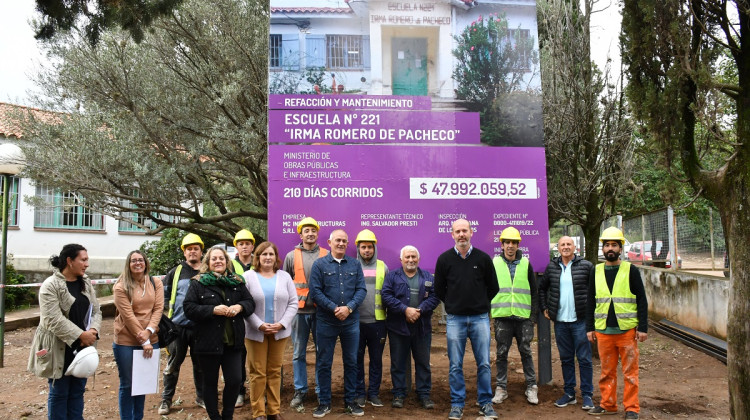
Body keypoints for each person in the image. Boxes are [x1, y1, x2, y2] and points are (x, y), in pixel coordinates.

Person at [28, 244, 102, 420]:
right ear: (69, 261)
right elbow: (52, 319)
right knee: (59, 394)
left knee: (77, 392)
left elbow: (97, 311)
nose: (87, 264)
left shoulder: (85, 282)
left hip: (82, 349)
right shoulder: (50, 286)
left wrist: (93, 330)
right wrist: (80, 335)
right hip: (58, 348)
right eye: (83, 260)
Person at [434, 219, 499, 420]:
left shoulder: (483, 258)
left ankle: (486, 403)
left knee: (484, 364)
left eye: (465, 231)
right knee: (455, 365)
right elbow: (439, 289)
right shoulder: (444, 260)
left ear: (471, 232)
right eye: (458, 231)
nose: (461, 234)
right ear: (452, 234)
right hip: (455, 320)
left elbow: (493, 287)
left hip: (480, 318)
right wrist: (455, 304)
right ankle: (457, 404)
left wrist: (479, 303)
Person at [183, 246, 255, 420]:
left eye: (221, 258)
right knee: (210, 383)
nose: (218, 261)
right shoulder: (198, 283)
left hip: (233, 342)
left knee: (235, 380)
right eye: (214, 259)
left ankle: (227, 416)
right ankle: (214, 416)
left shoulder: (237, 282)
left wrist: (240, 306)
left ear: (226, 261)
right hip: (208, 342)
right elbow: (189, 308)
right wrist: (213, 310)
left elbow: (250, 302)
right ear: (208, 262)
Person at [586, 227, 648, 420]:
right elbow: (590, 301)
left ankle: (631, 409)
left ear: (620, 248)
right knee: (606, 372)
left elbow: (641, 300)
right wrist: (590, 328)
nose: (610, 248)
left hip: (626, 331)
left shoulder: (631, 270)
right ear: (602, 248)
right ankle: (608, 404)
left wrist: (643, 327)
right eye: (607, 245)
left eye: (614, 245)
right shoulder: (595, 271)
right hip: (604, 330)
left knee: (630, 373)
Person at [308, 229, 367, 418]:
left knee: (351, 362)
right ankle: (324, 402)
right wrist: (334, 308)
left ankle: (350, 401)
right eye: (337, 240)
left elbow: (361, 289)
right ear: (330, 242)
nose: (341, 243)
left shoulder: (355, 265)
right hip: (326, 321)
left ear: (347, 243)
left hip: (350, 322)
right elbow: (315, 291)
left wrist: (348, 308)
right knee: (324, 363)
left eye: (344, 240)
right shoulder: (319, 265)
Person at [243, 241, 298, 420]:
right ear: (257, 257)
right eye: (264, 254)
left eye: (271, 254)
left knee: (275, 371)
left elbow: (293, 303)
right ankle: (259, 412)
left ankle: (273, 410)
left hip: (279, 333)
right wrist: (259, 324)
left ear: (276, 258)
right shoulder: (248, 277)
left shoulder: (285, 277)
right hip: (255, 332)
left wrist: (281, 324)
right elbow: (245, 305)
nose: (267, 257)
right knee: (257, 372)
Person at [381, 245, 440, 410]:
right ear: (401, 259)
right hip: (398, 326)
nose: (410, 260)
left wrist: (420, 310)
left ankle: (424, 394)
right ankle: (399, 393)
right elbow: (386, 295)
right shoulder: (392, 276)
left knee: (423, 362)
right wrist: (405, 310)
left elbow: (435, 297)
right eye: (407, 257)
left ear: (418, 259)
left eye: (413, 257)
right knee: (399, 362)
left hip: (421, 327)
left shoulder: (428, 277)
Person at [539, 235, 594, 410]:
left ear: (575, 247)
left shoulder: (586, 266)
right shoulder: (552, 267)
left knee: (584, 359)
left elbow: (594, 291)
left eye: (568, 244)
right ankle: (569, 393)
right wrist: (544, 307)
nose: (565, 247)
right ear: (558, 248)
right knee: (566, 359)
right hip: (561, 322)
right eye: (562, 244)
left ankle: (587, 395)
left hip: (580, 321)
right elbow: (542, 289)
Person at [282, 216, 328, 410]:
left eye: (313, 230)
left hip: (321, 312)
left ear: (318, 233)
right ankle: (300, 390)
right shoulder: (291, 256)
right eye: (306, 230)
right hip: (299, 313)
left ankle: (320, 390)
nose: (310, 233)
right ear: (300, 234)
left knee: (321, 353)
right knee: (298, 353)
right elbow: (285, 283)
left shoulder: (326, 254)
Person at [490, 226, 539, 405]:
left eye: (514, 242)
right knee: (501, 353)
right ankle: (501, 388)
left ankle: (532, 387)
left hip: (523, 317)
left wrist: (532, 317)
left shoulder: (526, 264)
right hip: (502, 317)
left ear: (518, 245)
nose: (510, 246)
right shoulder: (494, 263)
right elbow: (487, 288)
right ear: (502, 245)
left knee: (526, 351)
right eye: (507, 242)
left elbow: (534, 291)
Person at [113, 250, 164, 420]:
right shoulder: (120, 286)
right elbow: (128, 316)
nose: (137, 263)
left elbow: (158, 309)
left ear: (145, 262)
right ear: (128, 264)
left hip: (151, 338)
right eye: (133, 260)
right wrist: (144, 341)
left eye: (140, 260)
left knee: (142, 384)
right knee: (127, 384)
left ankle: (138, 418)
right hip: (126, 340)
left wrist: (149, 332)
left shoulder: (155, 282)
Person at [158, 233, 206, 415]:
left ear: (201, 251)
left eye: (195, 248)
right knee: (172, 365)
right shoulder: (175, 272)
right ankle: (166, 400)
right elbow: (164, 296)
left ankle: (201, 397)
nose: (192, 252)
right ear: (184, 253)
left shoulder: (207, 271)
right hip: (177, 328)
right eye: (189, 249)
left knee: (200, 365)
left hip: (201, 328)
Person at [353, 229, 388, 408]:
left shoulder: (383, 266)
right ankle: (359, 394)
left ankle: (373, 393)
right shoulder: (351, 265)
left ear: (374, 248)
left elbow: (389, 294)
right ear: (358, 248)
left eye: (369, 247)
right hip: (356, 323)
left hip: (378, 323)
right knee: (357, 360)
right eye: (363, 247)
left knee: (376, 360)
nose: (367, 250)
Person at [231, 228, 256, 408]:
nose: (245, 246)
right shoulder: (230, 265)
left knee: (258, 357)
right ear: (236, 246)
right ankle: (240, 391)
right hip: (237, 318)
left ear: (252, 246)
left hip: (258, 316)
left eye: (247, 243)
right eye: (241, 244)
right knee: (238, 357)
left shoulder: (260, 262)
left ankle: (259, 391)